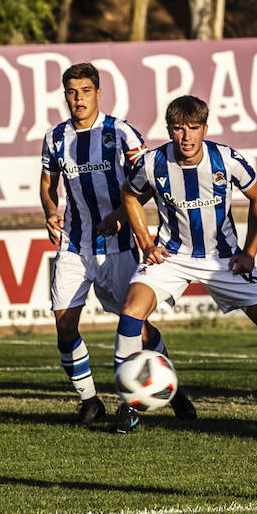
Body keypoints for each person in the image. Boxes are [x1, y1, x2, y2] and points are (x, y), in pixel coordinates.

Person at [114, 95, 257, 434]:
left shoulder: (227, 159)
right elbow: (129, 195)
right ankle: (129, 406)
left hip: (225, 259)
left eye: (194, 128)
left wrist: (250, 252)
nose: (187, 137)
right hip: (172, 256)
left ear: (205, 128)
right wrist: (145, 241)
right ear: (170, 131)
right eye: (179, 129)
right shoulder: (152, 162)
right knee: (130, 313)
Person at [40, 62, 154, 426]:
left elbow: (147, 183)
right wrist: (50, 210)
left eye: (85, 91)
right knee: (64, 323)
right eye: (72, 92)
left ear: (98, 93)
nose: (78, 99)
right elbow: (47, 184)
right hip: (73, 244)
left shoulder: (121, 132)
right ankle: (90, 401)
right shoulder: (55, 137)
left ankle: (162, 387)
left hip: (118, 246)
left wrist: (121, 215)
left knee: (137, 325)